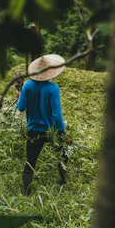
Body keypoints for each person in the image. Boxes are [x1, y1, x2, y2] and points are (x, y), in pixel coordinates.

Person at [16, 54, 71, 195]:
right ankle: (64, 178)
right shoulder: (53, 88)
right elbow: (56, 114)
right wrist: (63, 131)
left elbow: (21, 107)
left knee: (31, 160)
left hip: (34, 130)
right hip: (51, 130)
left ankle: (27, 191)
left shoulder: (27, 85)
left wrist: (21, 95)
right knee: (62, 153)